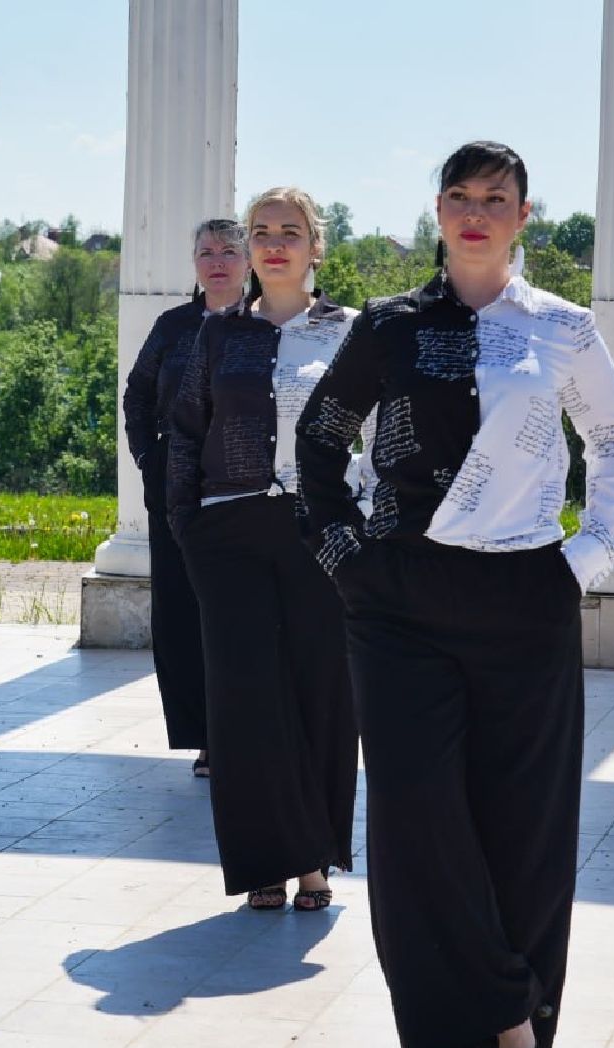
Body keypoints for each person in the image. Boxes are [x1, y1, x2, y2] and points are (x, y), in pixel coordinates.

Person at [296, 142, 614, 1048]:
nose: (476, 213)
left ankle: (513, 1028)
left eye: (496, 199)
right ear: (438, 211)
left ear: (524, 216)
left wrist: (585, 560)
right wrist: (346, 560)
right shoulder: (389, 325)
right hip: (398, 600)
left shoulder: (563, 327)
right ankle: (488, 1022)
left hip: (526, 593)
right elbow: (318, 443)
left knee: (521, 824)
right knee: (416, 822)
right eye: (459, 197)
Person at [166, 189, 362, 912]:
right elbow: (185, 430)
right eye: (260, 232)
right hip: (229, 530)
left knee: (318, 692)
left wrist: (366, 524)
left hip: (322, 532)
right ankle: (263, 861)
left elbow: (386, 434)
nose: (273, 243)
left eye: (290, 231)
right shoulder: (219, 335)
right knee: (245, 700)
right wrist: (186, 521)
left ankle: (314, 859)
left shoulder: (352, 332)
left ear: (317, 246)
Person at [123, 218, 249, 778]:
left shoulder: (266, 324)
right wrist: (152, 462)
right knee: (183, 617)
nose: (217, 261)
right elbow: (138, 395)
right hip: (178, 495)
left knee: (239, 618)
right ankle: (204, 737)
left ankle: (245, 731)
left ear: (247, 261)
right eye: (206, 252)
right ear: (194, 263)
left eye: (228, 251)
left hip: (248, 494)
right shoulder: (173, 327)